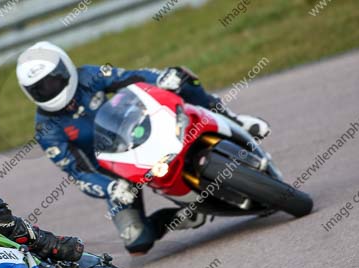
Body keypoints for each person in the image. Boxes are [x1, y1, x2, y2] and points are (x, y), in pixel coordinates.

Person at [16, 41, 271, 255]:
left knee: (182, 79)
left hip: (141, 130)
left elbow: (132, 77)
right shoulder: (45, 129)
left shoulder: (90, 75)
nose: (49, 89)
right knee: (137, 241)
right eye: (39, 88)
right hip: (117, 172)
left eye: (53, 80)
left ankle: (234, 120)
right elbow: (77, 171)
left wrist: (161, 78)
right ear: (29, 93)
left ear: (65, 69)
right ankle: (184, 216)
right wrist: (111, 188)